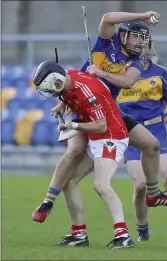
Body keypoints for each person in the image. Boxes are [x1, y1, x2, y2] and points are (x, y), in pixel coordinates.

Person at [32, 12, 167, 240]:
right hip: (82, 106)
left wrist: (100, 73)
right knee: (74, 151)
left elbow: (128, 81)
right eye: (136, 37)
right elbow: (107, 17)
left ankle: (152, 194)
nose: (142, 42)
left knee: (151, 145)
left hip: (109, 109)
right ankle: (48, 202)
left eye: (144, 39)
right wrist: (143, 16)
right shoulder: (106, 42)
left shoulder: (139, 59)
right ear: (122, 36)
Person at [32, 60, 135, 249]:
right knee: (68, 182)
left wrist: (72, 125)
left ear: (57, 80)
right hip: (95, 137)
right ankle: (79, 234)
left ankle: (123, 235)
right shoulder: (66, 78)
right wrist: (61, 106)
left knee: (101, 185)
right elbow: (66, 95)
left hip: (111, 136)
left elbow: (102, 125)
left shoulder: (89, 93)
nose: (54, 93)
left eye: (53, 89)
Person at [116, 58, 167, 242]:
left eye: (145, 43)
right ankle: (142, 230)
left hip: (157, 131)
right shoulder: (119, 71)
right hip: (131, 133)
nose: (141, 47)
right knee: (140, 185)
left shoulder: (161, 73)